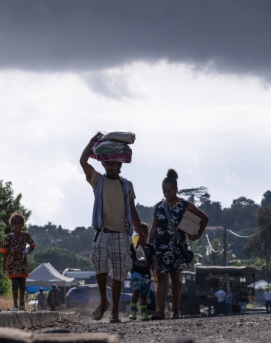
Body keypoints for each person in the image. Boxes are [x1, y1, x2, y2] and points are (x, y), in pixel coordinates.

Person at [80, 132, 145, 323]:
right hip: (102, 232)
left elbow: (132, 212)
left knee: (118, 274)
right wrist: (92, 140)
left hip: (121, 235)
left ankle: (115, 311)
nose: (110, 166)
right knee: (99, 265)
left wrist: (140, 234)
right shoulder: (97, 181)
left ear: (119, 165)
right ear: (104, 164)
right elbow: (83, 161)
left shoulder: (127, 185)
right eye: (107, 163)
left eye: (113, 163)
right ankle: (103, 301)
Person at [149, 169, 208, 320]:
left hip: (177, 247)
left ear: (175, 190)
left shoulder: (185, 205)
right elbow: (154, 228)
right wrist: (149, 247)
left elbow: (204, 218)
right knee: (161, 278)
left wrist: (197, 235)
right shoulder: (159, 207)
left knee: (175, 279)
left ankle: (176, 311)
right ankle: (160, 311)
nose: (166, 194)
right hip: (160, 248)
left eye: (169, 191)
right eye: (164, 191)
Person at [0, 210, 35, 311]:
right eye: (15, 223)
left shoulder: (26, 236)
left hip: (22, 264)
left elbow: (32, 245)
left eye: (20, 223)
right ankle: (15, 304)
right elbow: (5, 251)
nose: (17, 225)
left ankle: (22, 303)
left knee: (22, 284)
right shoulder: (9, 237)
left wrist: (28, 250)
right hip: (12, 264)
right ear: (11, 225)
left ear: (23, 224)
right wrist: (4, 264)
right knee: (14, 283)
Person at [128, 222, 158, 321]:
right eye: (141, 233)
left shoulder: (150, 247)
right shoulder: (133, 245)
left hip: (146, 273)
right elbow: (130, 257)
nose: (144, 235)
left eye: (145, 232)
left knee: (144, 294)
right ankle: (133, 312)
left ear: (148, 233)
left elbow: (154, 259)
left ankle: (143, 314)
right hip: (136, 272)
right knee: (136, 291)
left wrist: (155, 267)